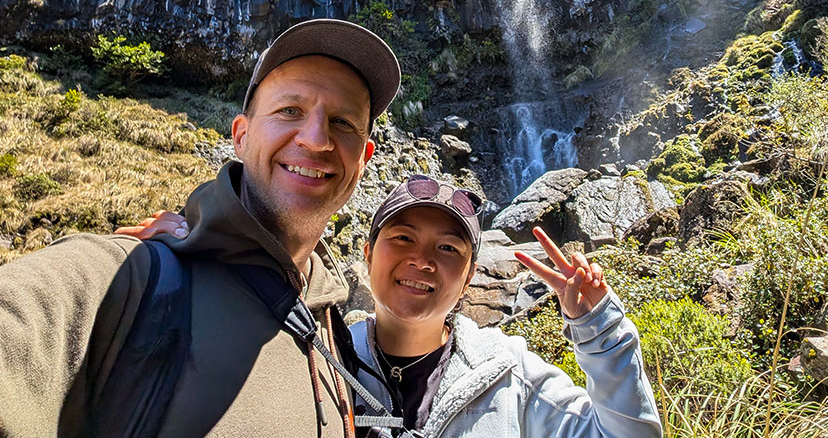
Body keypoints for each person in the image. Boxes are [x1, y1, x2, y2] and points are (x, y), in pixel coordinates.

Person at [0, 18, 401, 437]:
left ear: (364, 159)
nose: (316, 139)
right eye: (290, 111)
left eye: (343, 122)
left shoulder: (332, 329)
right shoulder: (124, 279)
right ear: (241, 137)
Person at [125, 175, 664, 437]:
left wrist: (600, 330)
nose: (422, 260)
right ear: (367, 254)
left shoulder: (511, 375)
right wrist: (190, 258)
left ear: (469, 275)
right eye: (402, 238)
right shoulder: (318, 360)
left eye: (448, 249)